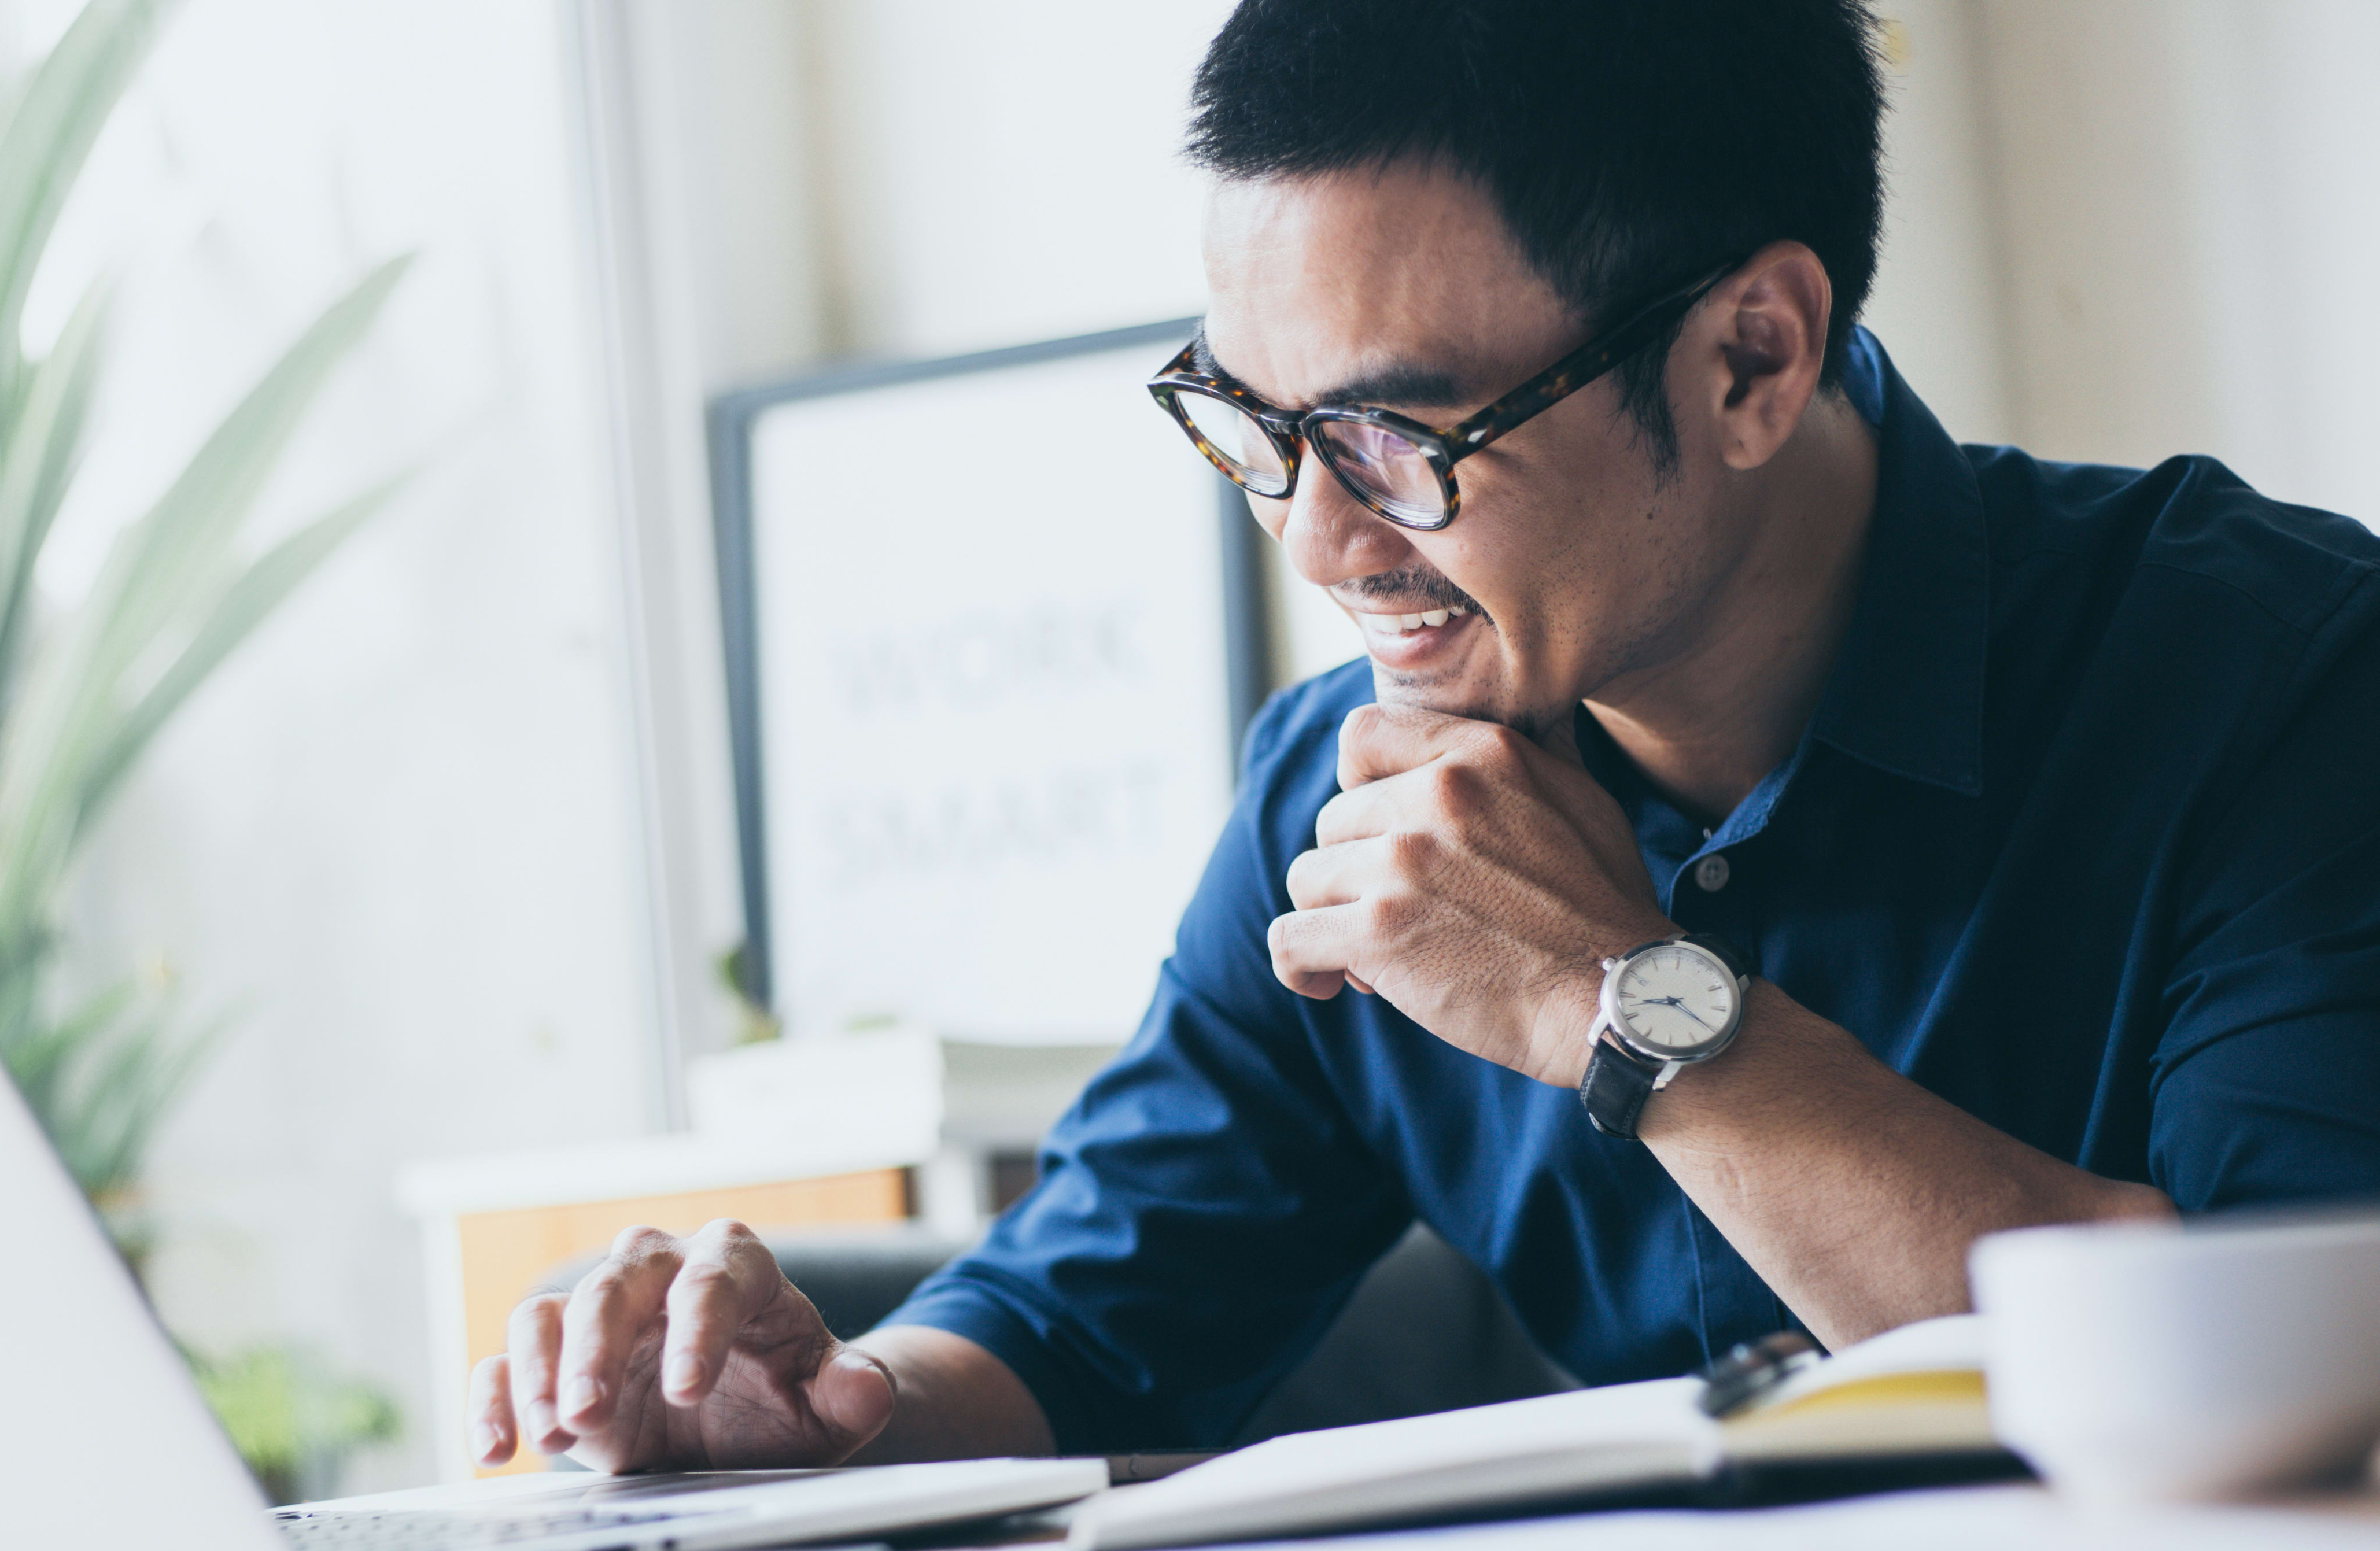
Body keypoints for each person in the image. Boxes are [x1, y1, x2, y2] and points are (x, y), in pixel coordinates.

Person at [470, 0, 2380, 1473]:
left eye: (1399, 439)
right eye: (1252, 426)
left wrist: (1637, 1009)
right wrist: (821, 1414)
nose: (1317, 535)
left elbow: (2292, 1394)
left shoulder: (2282, 684)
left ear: (1750, 360)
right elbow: (1081, 1321)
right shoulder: (1341, 786)